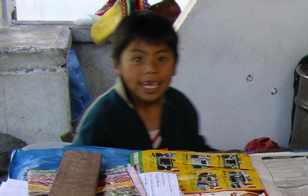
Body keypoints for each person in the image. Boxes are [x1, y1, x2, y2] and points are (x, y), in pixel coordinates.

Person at [72, 10, 215, 152]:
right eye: (138, 59)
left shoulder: (181, 106)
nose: (151, 69)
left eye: (161, 58)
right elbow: (75, 163)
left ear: (174, 65)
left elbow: (197, 152)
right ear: (117, 65)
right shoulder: (101, 115)